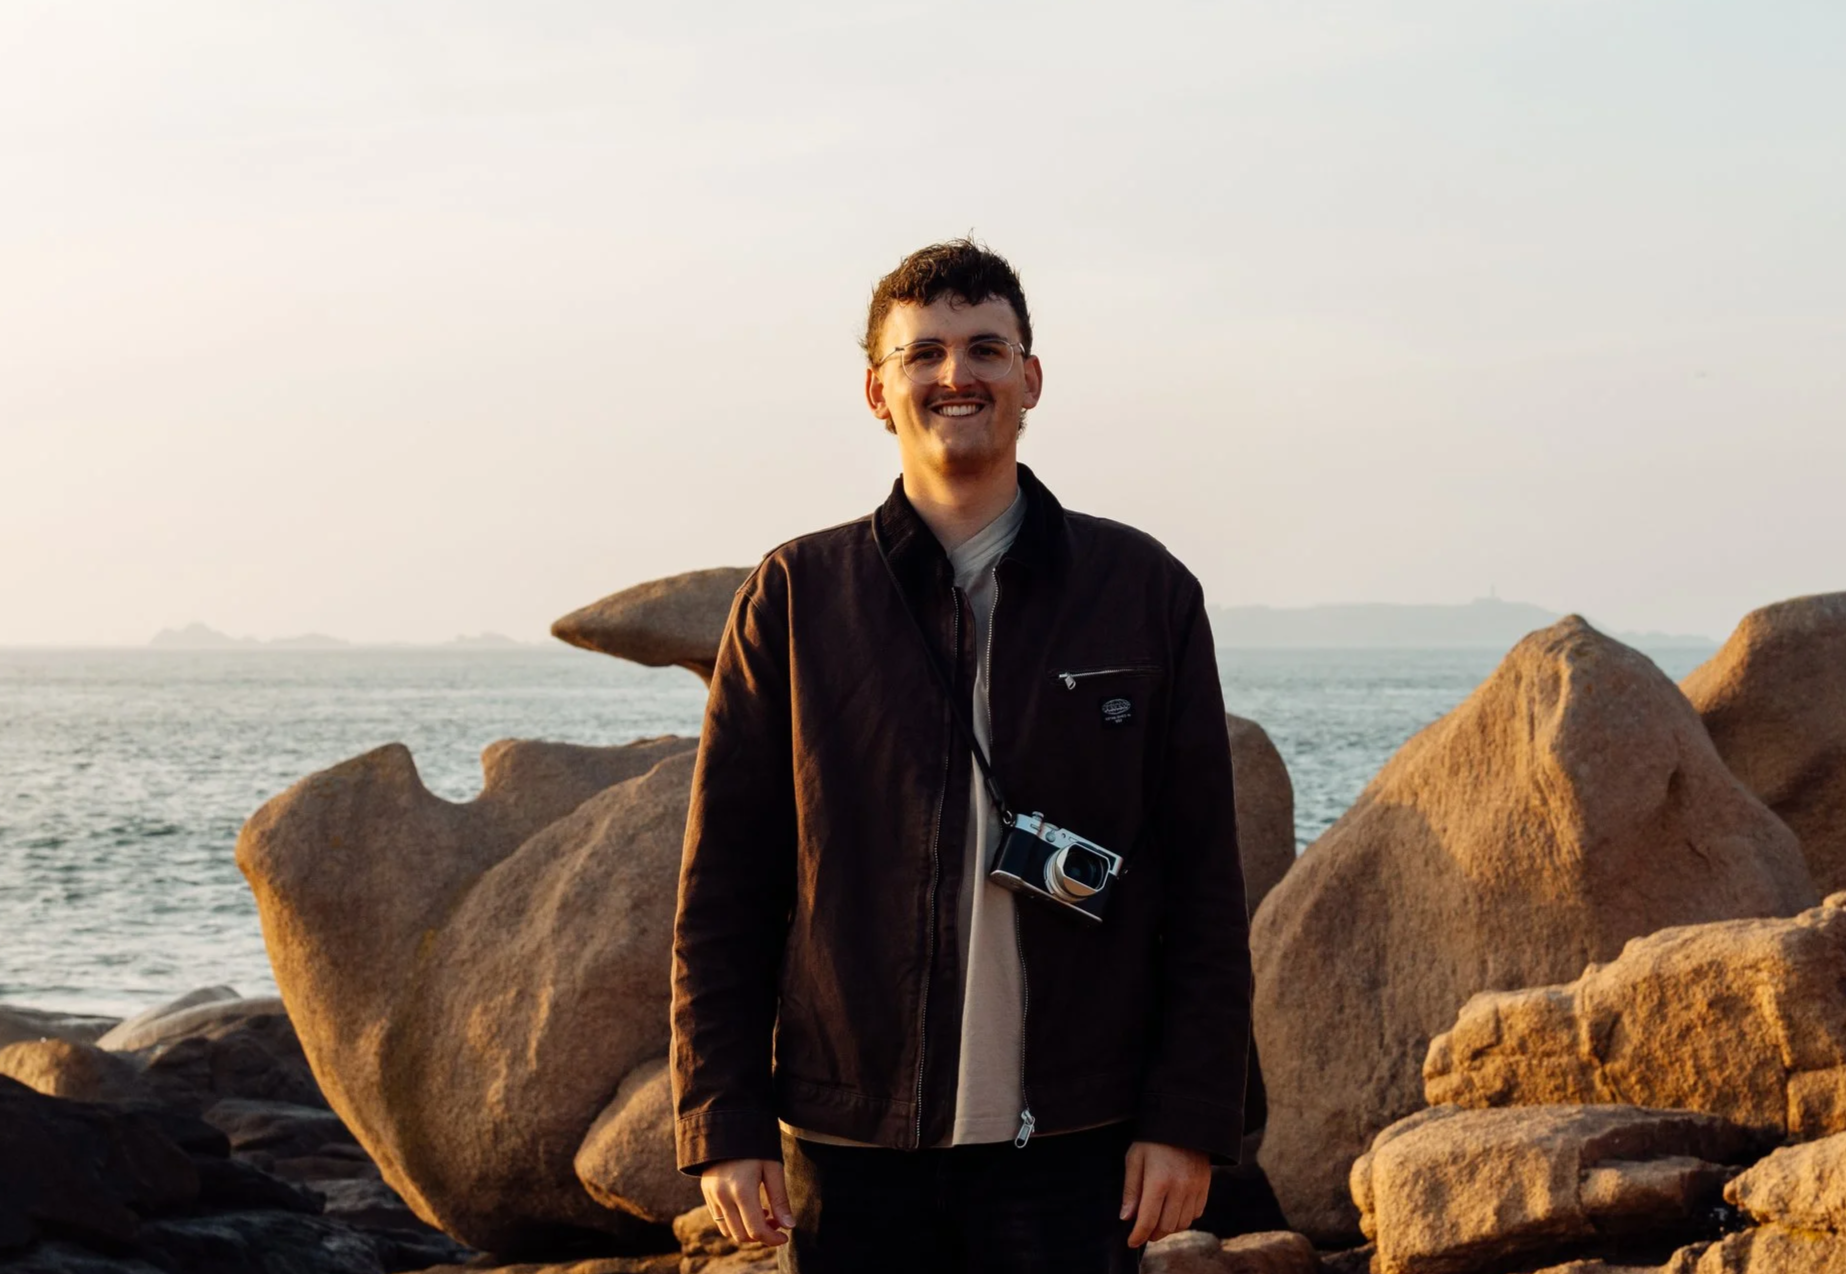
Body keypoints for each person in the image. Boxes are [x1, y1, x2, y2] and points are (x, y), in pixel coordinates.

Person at [670, 239, 1251, 1272]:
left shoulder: (1143, 589)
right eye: (923, 352)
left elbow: (1201, 880)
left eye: (985, 348)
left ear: (1029, 378)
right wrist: (726, 1117)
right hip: (854, 1143)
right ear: (876, 389)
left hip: (1077, 1138)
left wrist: (1189, 1114)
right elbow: (726, 887)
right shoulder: (798, 596)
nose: (955, 374)